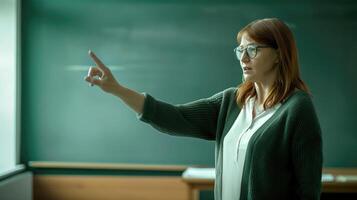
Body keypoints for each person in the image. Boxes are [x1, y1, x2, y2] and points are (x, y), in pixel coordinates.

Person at [84, 18, 323, 200]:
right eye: (240, 50)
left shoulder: (297, 108)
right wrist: (117, 89)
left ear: (279, 55)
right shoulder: (231, 101)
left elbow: (308, 190)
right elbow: (174, 117)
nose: (243, 58)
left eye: (253, 49)